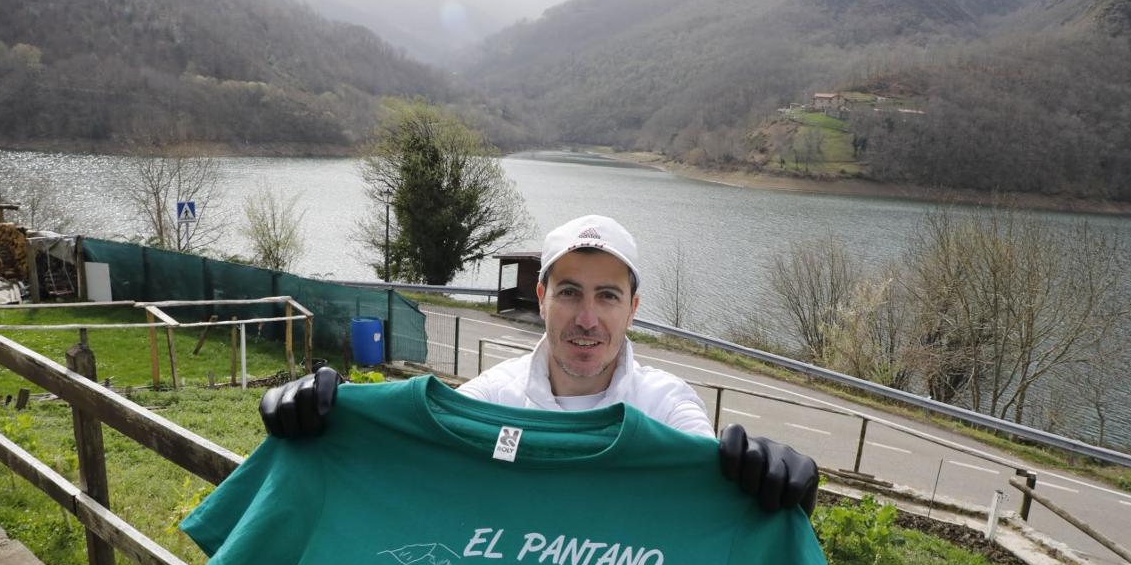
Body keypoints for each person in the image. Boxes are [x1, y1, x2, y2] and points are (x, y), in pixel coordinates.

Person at [260, 215, 819, 513]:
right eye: (571, 292)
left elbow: (708, 486)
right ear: (542, 296)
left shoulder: (666, 405)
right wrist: (328, 428)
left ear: (633, 310)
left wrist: (767, 486)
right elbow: (405, 464)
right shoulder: (489, 398)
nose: (587, 319)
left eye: (608, 297)